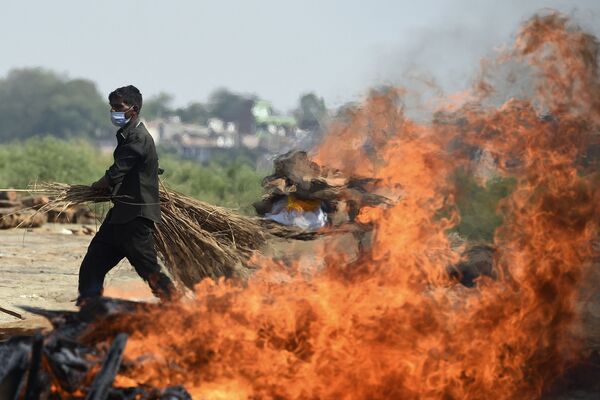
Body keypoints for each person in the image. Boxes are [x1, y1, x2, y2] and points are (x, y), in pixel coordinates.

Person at [76, 85, 175, 305]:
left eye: (119, 107)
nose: (114, 112)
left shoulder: (138, 137)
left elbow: (117, 172)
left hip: (136, 218)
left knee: (149, 270)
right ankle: (89, 308)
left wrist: (99, 185)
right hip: (120, 216)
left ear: (134, 108)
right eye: (112, 107)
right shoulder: (127, 134)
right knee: (92, 265)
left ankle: (175, 305)